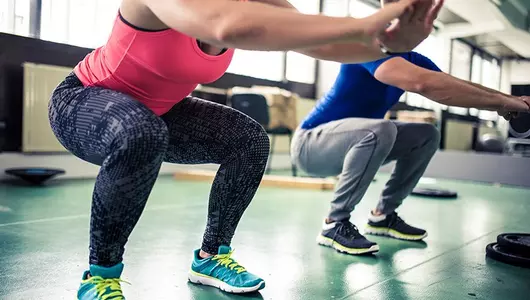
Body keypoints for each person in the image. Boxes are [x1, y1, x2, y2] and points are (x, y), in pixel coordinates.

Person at [48, 0, 444, 298]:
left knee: (250, 141)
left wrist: (385, 44)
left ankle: (211, 257)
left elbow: (329, 44)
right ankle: (99, 278)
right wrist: (369, 22)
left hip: (160, 112)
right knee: (141, 132)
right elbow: (226, 26)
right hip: (83, 101)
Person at [291, 0, 530, 256]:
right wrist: (505, 101)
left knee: (426, 134)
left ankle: (382, 216)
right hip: (310, 146)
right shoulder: (366, 48)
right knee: (381, 129)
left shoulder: (412, 59)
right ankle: (334, 224)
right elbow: (423, 84)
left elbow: (450, 84)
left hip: (352, 144)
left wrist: (506, 101)